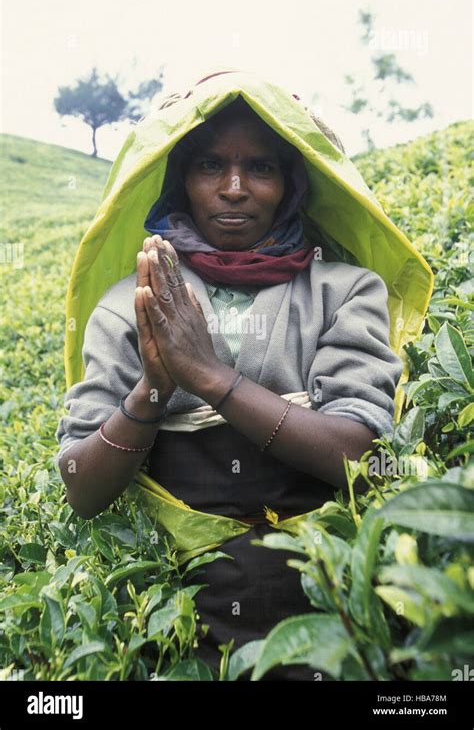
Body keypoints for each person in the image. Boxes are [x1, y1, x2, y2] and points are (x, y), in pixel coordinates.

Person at [55, 74, 413, 680]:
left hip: (335, 610)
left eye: (262, 168)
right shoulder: (130, 304)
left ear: (291, 185)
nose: (235, 189)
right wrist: (153, 389)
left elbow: (360, 456)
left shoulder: (343, 289)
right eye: (210, 166)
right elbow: (82, 490)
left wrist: (211, 376)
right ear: (181, 181)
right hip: (184, 624)